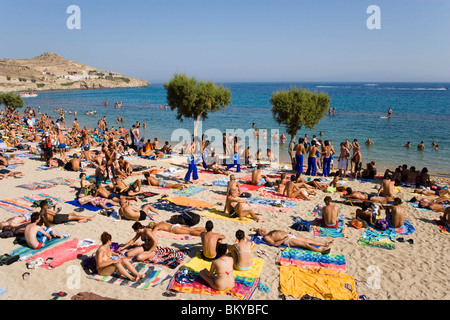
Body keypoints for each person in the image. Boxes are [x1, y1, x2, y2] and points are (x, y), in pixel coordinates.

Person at [256, 228, 333, 253]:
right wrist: (284, 239)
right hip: (287, 240)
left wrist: (288, 233)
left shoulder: (269, 231)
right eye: (260, 231)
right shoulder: (266, 237)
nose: (262, 230)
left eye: (261, 229)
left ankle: (325, 244)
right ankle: (322, 252)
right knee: (305, 244)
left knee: (308, 239)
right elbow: (275, 244)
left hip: (289, 235)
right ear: (261, 235)